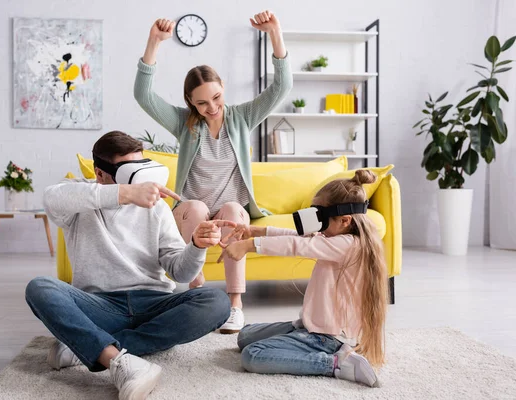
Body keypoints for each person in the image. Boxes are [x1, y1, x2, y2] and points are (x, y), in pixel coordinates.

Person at [25, 131, 235, 400]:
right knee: (39, 287)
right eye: (129, 172)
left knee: (216, 301)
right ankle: (115, 357)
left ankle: (93, 348)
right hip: (99, 306)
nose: (140, 179)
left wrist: (196, 245)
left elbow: (180, 271)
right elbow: (52, 198)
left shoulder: (156, 208)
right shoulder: (81, 202)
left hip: (154, 303)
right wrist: (126, 193)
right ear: (101, 174)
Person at [134, 10, 293, 333]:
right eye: (202, 103)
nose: (212, 107)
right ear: (191, 104)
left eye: (216, 97)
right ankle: (198, 294)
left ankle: (235, 306)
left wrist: (275, 33)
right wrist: (154, 43)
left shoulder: (242, 117)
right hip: (193, 215)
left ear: (223, 88)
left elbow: (281, 86)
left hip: (229, 213)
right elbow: (144, 95)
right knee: (195, 207)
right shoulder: (184, 124)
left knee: (234, 209)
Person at [218, 170, 388, 387]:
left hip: (328, 338)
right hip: (311, 327)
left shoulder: (349, 246)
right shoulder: (336, 237)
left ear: (345, 220)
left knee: (253, 355)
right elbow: (299, 237)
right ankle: (302, 338)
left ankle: (335, 363)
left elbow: (299, 245)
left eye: (321, 218)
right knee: (245, 336)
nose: (316, 226)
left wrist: (249, 246)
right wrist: (255, 231)